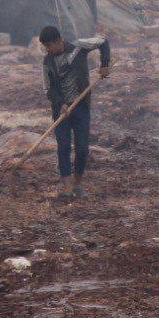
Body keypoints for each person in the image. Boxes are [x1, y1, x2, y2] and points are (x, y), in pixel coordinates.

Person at [39, 25, 110, 200]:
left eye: (49, 46)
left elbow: (103, 42)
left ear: (58, 41)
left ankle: (77, 184)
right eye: (45, 47)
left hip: (81, 107)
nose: (47, 50)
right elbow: (48, 89)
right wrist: (60, 103)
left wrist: (104, 65)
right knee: (63, 147)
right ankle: (67, 186)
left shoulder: (79, 47)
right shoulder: (47, 62)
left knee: (82, 148)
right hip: (61, 111)